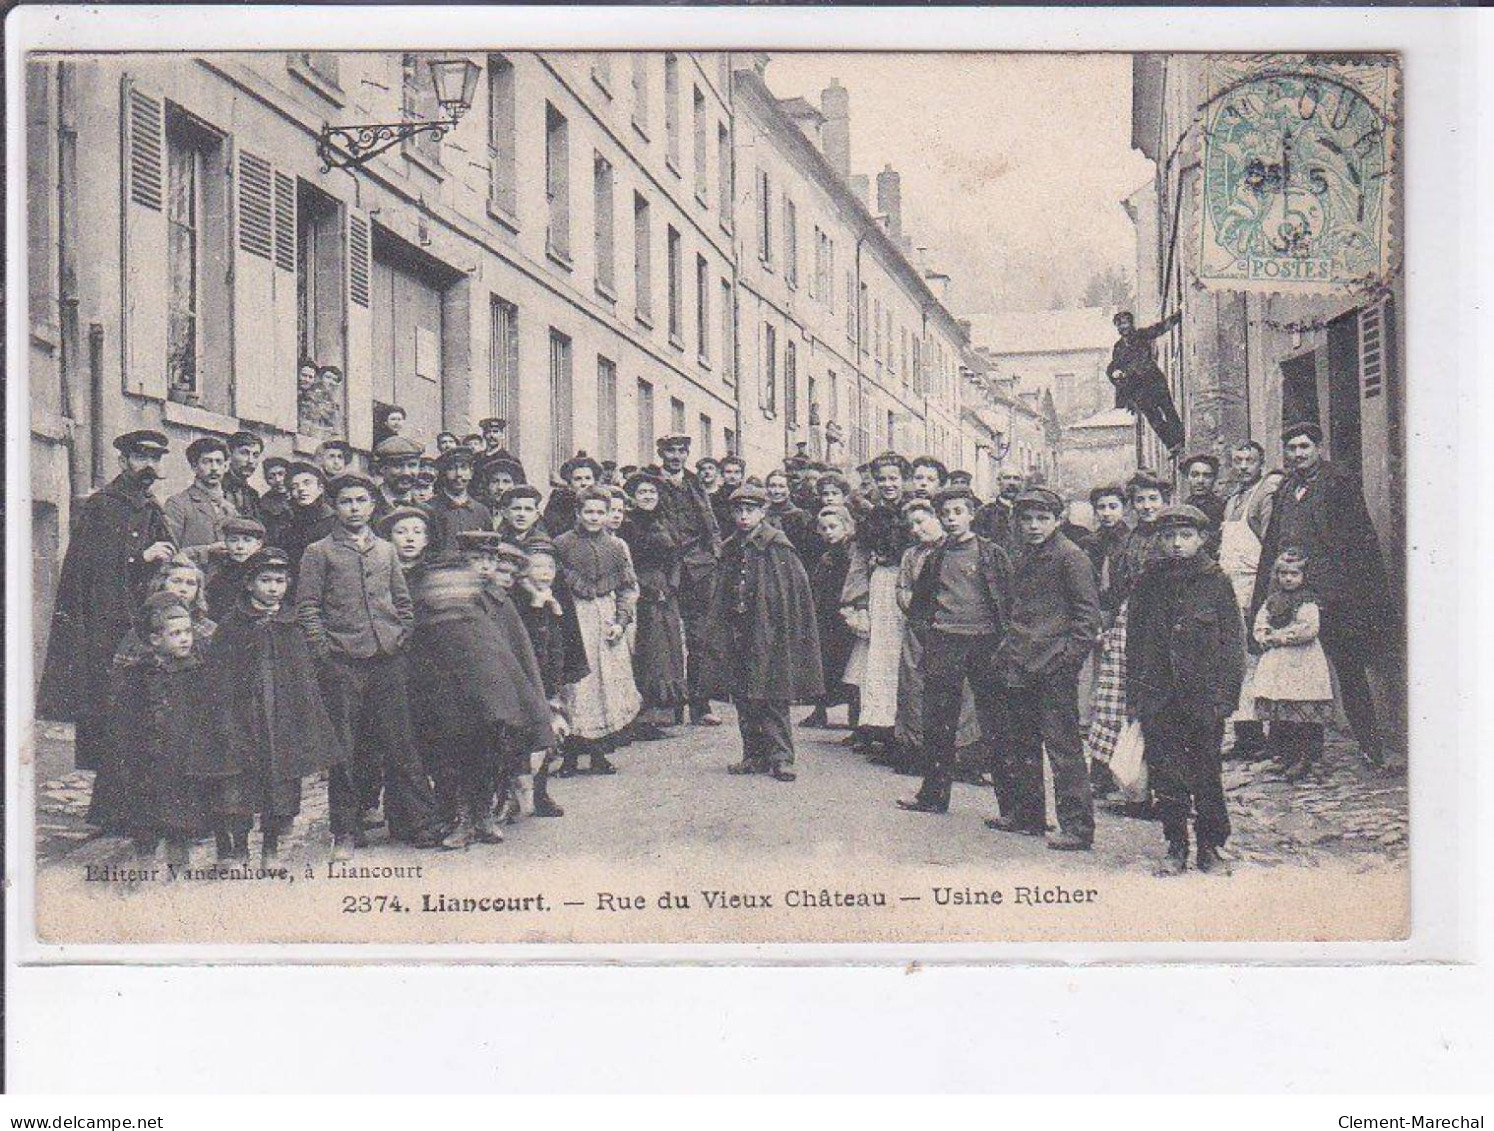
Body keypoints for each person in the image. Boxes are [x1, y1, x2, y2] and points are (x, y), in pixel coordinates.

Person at [296, 471, 442, 858]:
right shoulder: (319, 552)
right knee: (345, 747)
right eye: (346, 501)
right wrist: (323, 652)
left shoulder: (385, 551)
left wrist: (401, 635)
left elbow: (402, 601)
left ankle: (418, 823)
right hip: (343, 661)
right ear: (335, 506)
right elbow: (308, 606)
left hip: (387, 658)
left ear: (373, 505)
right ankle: (345, 830)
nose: (354, 508)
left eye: (361, 500)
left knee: (401, 741)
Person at [38, 430, 176, 833]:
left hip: (143, 627)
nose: (149, 467)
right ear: (123, 461)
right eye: (141, 457)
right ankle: (110, 813)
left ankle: (139, 809)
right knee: (112, 720)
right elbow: (89, 570)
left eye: (156, 459)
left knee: (143, 717)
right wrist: (140, 557)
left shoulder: (151, 507)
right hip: (106, 631)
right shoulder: (103, 506)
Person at [1251, 421, 1394, 768]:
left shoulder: (1338, 484)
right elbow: (1273, 542)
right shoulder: (1286, 489)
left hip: (1335, 596)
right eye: (1292, 448)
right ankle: (1293, 752)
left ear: (1319, 448)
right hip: (1292, 592)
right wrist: (1264, 594)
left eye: (1305, 447)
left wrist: (1360, 593)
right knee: (1290, 670)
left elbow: (1360, 541)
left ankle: (1372, 746)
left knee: (1348, 669)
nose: (1298, 454)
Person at [200, 547, 346, 864]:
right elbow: (219, 675)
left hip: (281, 719)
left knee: (279, 788)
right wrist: (224, 717)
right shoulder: (233, 623)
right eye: (265, 580)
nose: (273, 588)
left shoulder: (291, 623)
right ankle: (238, 848)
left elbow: (304, 677)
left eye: (279, 581)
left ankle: (271, 848)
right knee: (236, 787)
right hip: (243, 718)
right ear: (250, 584)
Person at [411, 532, 553, 848]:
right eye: (477, 560)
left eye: (491, 560)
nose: (485, 567)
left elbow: (513, 654)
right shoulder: (443, 597)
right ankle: (462, 819)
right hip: (449, 697)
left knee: (490, 752)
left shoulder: (499, 601)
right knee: (452, 755)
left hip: (490, 699)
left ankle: (485, 814)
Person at [1127, 504, 1246, 876]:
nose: (1177, 544)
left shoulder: (1216, 581)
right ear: (1159, 540)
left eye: (1185, 536)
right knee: (1166, 773)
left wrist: (1226, 696)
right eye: (1169, 536)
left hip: (1203, 697)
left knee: (1206, 772)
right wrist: (1136, 696)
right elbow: (1135, 642)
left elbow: (1232, 643)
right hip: (1159, 696)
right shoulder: (1148, 583)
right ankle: (1175, 843)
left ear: (1201, 539)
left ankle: (1210, 846)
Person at [993, 487, 1101, 850]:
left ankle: (1077, 828)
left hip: (1054, 665)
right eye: (1027, 519)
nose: (1034, 526)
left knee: (1063, 748)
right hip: (1020, 661)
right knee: (1022, 741)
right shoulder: (1020, 555)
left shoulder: (1072, 558)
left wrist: (1067, 660)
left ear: (1057, 521)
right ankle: (1029, 816)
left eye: (1042, 519)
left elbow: (1087, 619)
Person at [897, 484, 1012, 815]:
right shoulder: (936, 557)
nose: (951, 520)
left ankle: (1012, 806)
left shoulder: (992, 554)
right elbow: (920, 606)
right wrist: (929, 638)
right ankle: (933, 796)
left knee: (995, 723)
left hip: (985, 644)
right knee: (938, 723)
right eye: (944, 514)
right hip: (945, 642)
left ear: (972, 515)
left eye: (958, 512)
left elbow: (1007, 600)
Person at [702, 484, 824, 782]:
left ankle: (782, 756)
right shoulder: (732, 547)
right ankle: (753, 755)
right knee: (744, 694)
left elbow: (792, 594)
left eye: (750, 510)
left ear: (763, 512)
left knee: (773, 694)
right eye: (738, 511)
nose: (744, 516)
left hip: (770, 631)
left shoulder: (777, 546)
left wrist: (780, 628)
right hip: (738, 630)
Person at [105, 593, 214, 865]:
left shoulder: (196, 673)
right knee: (145, 823)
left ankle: (178, 876)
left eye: (188, 631)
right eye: (175, 633)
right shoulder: (137, 675)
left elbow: (204, 717)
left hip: (182, 762)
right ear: (155, 639)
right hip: (146, 764)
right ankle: (144, 873)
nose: (185, 638)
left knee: (180, 824)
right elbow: (123, 721)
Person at [1084, 470, 1173, 778]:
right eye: (1140, 501)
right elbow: (1117, 586)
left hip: (1163, 623)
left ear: (1165, 501)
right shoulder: (1129, 540)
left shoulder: (1172, 536)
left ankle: (1155, 775)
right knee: (1116, 696)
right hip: (1129, 620)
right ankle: (1112, 769)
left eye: (1153, 499)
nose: (1147, 506)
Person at [553, 487, 642, 775]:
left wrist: (621, 620)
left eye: (600, 512)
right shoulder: (562, 545)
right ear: (577, 513)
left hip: (606, 617)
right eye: (588, 512)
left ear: (608, 515)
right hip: (574, 618)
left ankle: (599, 754)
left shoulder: (617, 547)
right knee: (576, 686)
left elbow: (628, 587)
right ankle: (569, 756)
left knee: (605, 684)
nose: (594, 517)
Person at [894, 496, 983, 778]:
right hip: (922, 630)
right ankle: (919, 754)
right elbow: (907, 589)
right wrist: (914, 607)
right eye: (912, 525)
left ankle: (963, 755)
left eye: (922, 521)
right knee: (917, 688)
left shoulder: (974, 551)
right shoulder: (916, 556)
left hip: (959, 633)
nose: (917, 529)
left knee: (962, 696)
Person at [513, 538, 588, 818]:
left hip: (552, 677)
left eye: (550, 566)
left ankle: (541, 792)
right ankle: (515, 796)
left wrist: (571, 670)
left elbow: (570, 634)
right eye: (537, 566)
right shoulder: (520, 599)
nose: (544, 572)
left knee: (550, 734)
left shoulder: (559, 596)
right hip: (529, 677)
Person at [842, 451, 911, 755]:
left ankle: (904, 726)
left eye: (893, 478)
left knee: (905, 654)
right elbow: (859, 557)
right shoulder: (870, 516)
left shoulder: (914, 511)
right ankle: (878, 725)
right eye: (881, 479)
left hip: (909, 584)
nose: (887, 484)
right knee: (878, 655)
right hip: (881, 585)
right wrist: (857, 600)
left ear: (904, 480)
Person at [1218, 440, 1283, 759]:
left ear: (1261, 463)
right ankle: (1246, 735)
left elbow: (1271, 543)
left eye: (1250, 460)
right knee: (1238, 663)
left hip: (1255, 586)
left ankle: (1264, 736)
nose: (1243, 466)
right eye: (1238, 460)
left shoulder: (1264, 496)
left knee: (1259, 662)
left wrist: (1264, 594)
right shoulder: (1233, 500)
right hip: (1232, 588)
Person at [654, 435, 724, 728]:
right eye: (670, 450)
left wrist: (714, 555)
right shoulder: (650, 483)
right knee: (664, 635)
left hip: (698, 567)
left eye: (682, 451)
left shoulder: (695, 483)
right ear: (661, 453)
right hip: (665, 566)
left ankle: (700, 703)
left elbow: (710, 522)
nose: (676, 456)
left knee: (700, 636)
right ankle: (667, 706)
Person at [1252, 547, 1336, 782]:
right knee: (1284, 711)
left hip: (1302, 662)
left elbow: (1309, 628)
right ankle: (1287, 755)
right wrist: (1264, 636)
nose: (1288, 579)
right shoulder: (1272, 601)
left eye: (1294, 574)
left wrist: (1282, 637)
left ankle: (1308, 757)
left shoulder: (1307, 602)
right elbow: (1260, 623)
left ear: (1304, 576)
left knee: (1304, 713)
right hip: (1278, 663)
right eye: (1283, 574)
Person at [619, 471, 688, 741]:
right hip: (642, 592)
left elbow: (677, 558)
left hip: (666, 593)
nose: (648, 497)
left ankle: (662, 713)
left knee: (667, 648)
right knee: (645, 649)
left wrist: (671, 585)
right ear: (633, 498)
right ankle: (641, 715)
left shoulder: (666, 522)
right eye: (642, 493)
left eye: (652, 493)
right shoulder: (628, 525)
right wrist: (646, 588)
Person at [803, 503, 860, 730]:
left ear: (847, 526)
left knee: (851, 667)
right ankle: (820, 712)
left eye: (833, 527)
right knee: (824, 663)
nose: (828, 532)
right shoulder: (826, 556)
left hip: (848, 616)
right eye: (824, 528)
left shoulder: (854, 554)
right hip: (827, 617)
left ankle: (855, 719)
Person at [1107, 309, 1185, 456]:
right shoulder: (1118, 348)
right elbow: (1114, 368)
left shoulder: (1142, 335)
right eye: (1119, 324)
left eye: (1125, 323)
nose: (1122, 327)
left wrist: (1178, 316)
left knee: (1168, 410)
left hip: (1154, 381)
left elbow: (1160, 328)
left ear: (1131, 323)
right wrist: (1115, 376)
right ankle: (1172, 445)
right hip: (1138, 390)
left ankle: (1181, 440)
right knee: (1154, 419)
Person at [164, 436, 238, 565]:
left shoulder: (231, 508)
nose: (214, 468)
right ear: (194, 466)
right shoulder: (178, 504)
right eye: (207, 461)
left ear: (226, 466)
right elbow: (169, 553)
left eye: (219, 462)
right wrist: (208, 550)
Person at [276, 462, 337, 588]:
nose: (301, 489)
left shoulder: (334, 522)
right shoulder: (288, 523)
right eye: (294, 486)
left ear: (320, 489)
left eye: (307, 483)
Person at [426, 446, 492, 561]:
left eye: (463, 468)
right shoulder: (429, 508)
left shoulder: (482, 511)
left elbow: (489, 551)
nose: (458, 474)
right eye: (452, 469)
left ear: (471, 473)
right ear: (444, 473)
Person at [204, 516, 267, 620]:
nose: (240, 546)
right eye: (233, 540)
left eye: (247, 540)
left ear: (258, 544)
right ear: (225, 543)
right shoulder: (219, 572)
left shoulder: (264, 574)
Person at [764, 468, 816, 563]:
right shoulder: (761, 515)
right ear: (766, 488)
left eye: (781, 486)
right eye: (772, 486)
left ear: (789, 490)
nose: (776, 491)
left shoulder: (800, 516)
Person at [544, 451, 602, 537]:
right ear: (570, 483)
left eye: (588, 478)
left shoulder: (602, 501)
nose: (583, 483)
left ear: (594, 481)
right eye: (578, 479)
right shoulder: (559, 503)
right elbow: (554, 530)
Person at [1181, 453, 1226, 554]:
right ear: (1187, 478)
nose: (1200, 481)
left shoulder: (1224, 508)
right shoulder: (1183, 509)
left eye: (1207, 476)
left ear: (1214, 479)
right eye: (1195, 475)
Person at [972, 468, 1025, 552]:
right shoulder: (985, 512)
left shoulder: (1026, 511)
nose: (1012, 483)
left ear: (1022, 483)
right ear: (998, 481)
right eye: (1007, 478)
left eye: (1016, 478)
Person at [372, 435, 424, 518]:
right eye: (397, 466)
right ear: (382, 468)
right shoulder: (368, 509)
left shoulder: (427, 511)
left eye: (412, 465)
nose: (406, 473)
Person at [223, 430, 265, 522]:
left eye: (255, 455)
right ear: (230, 454)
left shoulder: (253, 495)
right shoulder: (217, 488)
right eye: (244, 453)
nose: (251, 461)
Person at [258, 456, 292, 537]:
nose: (278, 480)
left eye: (281, 474)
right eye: (271, 477)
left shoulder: (301, 494)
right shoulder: (265, 502)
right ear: (266, 480)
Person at [713, 456, 747, 533]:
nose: (732, 476)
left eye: (737, 472)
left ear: (742, 475)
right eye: (728, 472)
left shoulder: (748, 497)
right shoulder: (714, 499)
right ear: (722, 474)